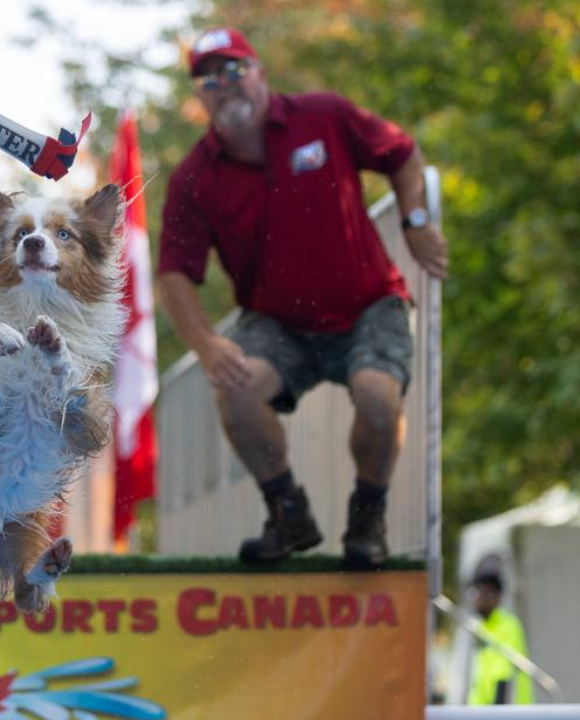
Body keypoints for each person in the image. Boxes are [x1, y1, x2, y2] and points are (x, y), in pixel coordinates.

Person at [157, 27, 449, 566]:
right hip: (277, 323)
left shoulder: (325, 116)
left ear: (259, 72)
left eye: (233, 70)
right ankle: (288, 513)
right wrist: (204, 344)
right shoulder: (195, 178)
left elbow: (402, 155)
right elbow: (174, 273)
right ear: (199, 96)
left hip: (368, 305)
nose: (224, 86)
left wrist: (414, 221)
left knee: (379, 397)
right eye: (208, 78)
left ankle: (368, 518)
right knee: (235, 388)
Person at [467, 569, 534, 705]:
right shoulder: (482, 627)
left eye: (477, 592)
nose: (475, 599)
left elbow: (502, 674)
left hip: (508, 711)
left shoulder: (507, 625)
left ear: (494, 595)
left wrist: (496, 713)